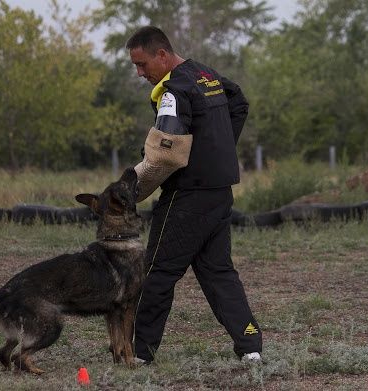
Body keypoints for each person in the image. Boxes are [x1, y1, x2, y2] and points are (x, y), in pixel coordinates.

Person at [127, 26, 262, 364]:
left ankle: (140, 353)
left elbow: (166, 154)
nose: (140, 73)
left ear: (162, 54)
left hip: (187, 197)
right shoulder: (205, 74)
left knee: (157, 271)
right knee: (218, 271)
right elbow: (239, 102)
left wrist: (133, 189)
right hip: (220, 193)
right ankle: (251, 347)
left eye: (142, 64)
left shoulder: (174, 90)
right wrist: (217, 149)